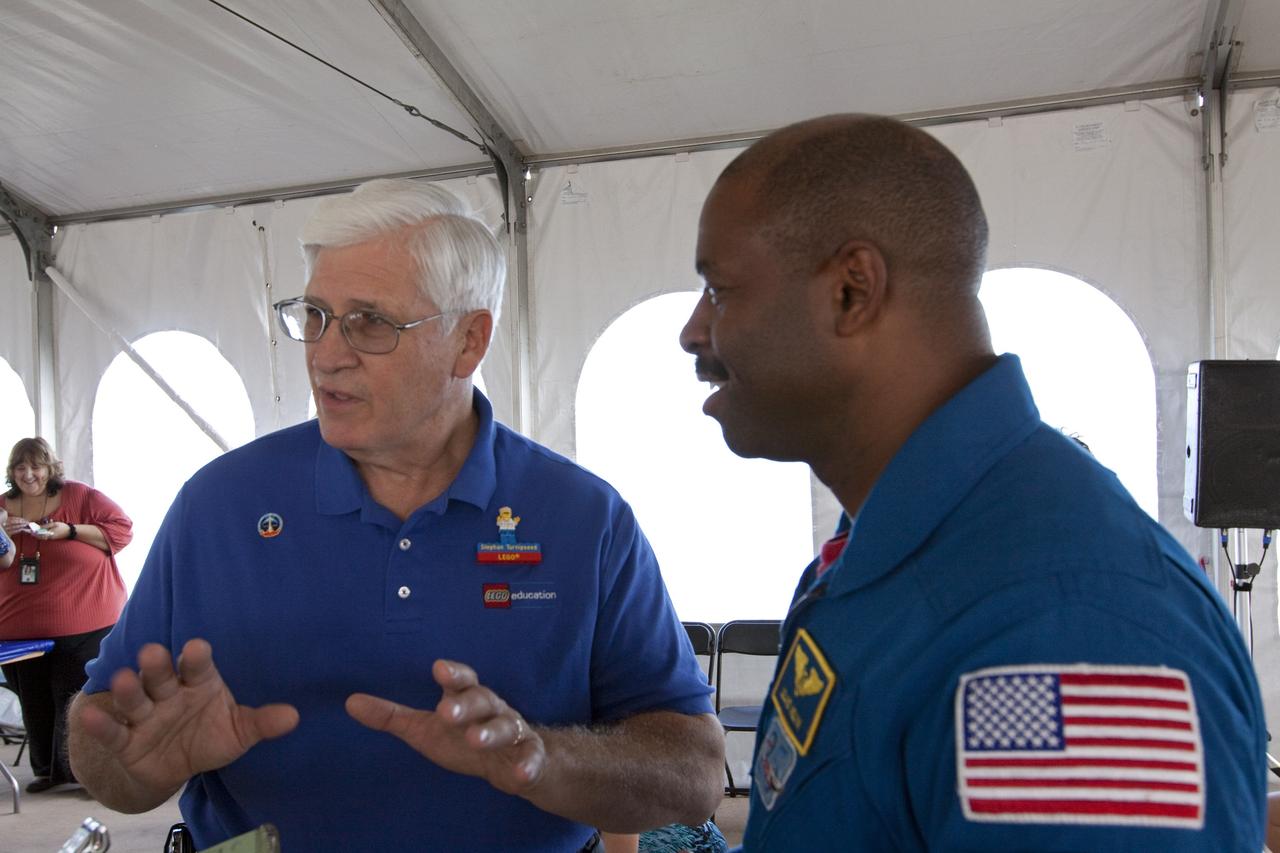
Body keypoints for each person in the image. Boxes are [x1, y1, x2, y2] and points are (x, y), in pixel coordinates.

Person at [68, 179, 724, 851]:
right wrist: (130, 765)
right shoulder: (220, 506)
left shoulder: (584, 518)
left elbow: (694, 772)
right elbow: (104, 742)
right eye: (316, 315)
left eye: (370, 322)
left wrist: (541, 759)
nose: (326, 354)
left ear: (469, 341)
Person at [678, 114, 1267, 850]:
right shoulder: (895, 541)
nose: (694, 332)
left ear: (852, 292)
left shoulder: (1064, 630)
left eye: (720, 290)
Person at [0, 436, 133, 793]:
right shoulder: (1, 508)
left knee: (75, 698)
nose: (29, 474)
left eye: (37, 466)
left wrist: (70, 531)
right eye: (21, 467)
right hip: (18, 626)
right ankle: (48, 770)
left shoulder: (81, 497)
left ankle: (81, 773)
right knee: (35, 700)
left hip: (85, 618)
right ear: (12, 471)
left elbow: (121, 531)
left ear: (50, 468)